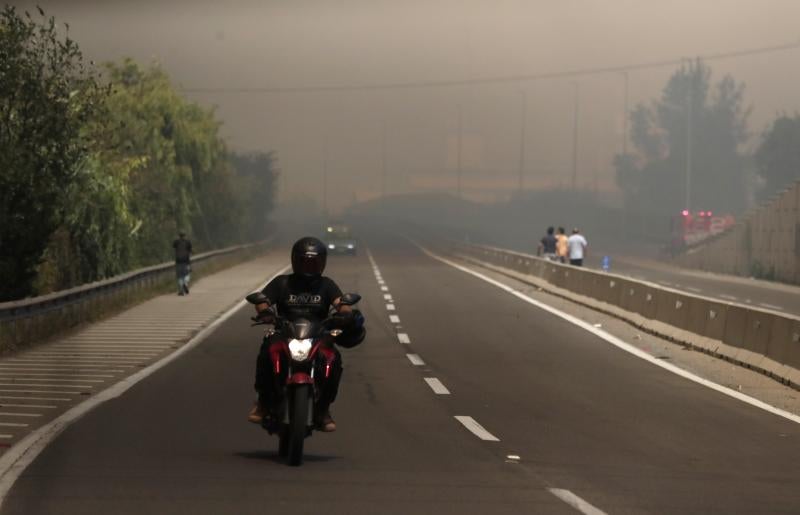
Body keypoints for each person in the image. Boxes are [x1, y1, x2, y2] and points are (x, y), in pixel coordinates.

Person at [248, 236, 365, 432]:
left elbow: (340, 303)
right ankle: (263, 403)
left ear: (322, 263)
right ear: (295, 261)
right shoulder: (282, 282)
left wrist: (345, 315)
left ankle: (324, 409)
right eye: (304, 262)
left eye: (314, 262)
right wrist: (265, 312)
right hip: (285, 331)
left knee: (333, 359)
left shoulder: (327, 285)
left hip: (318, 335)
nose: (309, 266)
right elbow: (263, 300)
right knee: (267, 350)